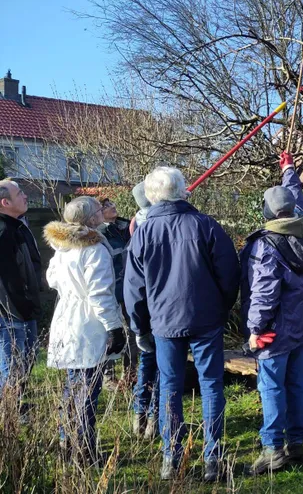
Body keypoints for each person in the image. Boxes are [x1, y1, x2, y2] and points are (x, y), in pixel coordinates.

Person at [124, 166, 240, 482]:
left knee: (170, 388)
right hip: (205, 319)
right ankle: (212, 458)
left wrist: (140, 328)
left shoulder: (144, 234)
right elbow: (230, 276)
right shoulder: (207, 226)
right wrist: (220, 309)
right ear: (183, 190)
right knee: (211, 385)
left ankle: (171, 458)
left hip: (164, 322)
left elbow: (134, 289)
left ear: (151, 195)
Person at [240, 151, 303, 474]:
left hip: (275, 330)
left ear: (268, 212)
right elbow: (297, 198)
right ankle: (296, 442)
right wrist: (288, 169)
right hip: (302, 325)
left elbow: (263, 294)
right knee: (297, 382)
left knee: (271, 386)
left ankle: (273, 448)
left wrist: (255, 330)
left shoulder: (266, 247)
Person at [44, 196, 126, 463]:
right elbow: (100, 293)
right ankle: (83, 450)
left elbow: (52, 280)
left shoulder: (62, 247)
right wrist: (114, 327)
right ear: (91, 219)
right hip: (88, 322)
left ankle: (66, 443)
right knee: (88, 388)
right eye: (99, 210)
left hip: (67, 317)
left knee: (72, 386)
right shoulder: (93, 248)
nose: (103, 212)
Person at [0, 180, 41, 393]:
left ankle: (14, 409)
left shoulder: (17, 227)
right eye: (20, 193)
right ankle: (8, 419)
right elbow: (6, 280)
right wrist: (15, 312)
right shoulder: (3, 231)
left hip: (24, 308)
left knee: (25, 362)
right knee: (12, 369)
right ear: (5, 202)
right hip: (11, 313)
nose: (25, 196)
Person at [127, 182, 159, 439]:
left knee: (147, 362)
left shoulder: (138, 222)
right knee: (162, 367)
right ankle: (154, 419)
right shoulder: (154, 224)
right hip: (159, 305)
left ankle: (140, 415)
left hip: (143, 307)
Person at [98, 197, 138, 387]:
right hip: (111, 290)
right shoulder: (98, 234)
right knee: (111, 333)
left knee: (133, 330)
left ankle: (130, 373)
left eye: (112, 203)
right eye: (106, 206)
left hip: (131, 289)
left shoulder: (126, 227)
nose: (112, 207)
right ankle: (108, 375)